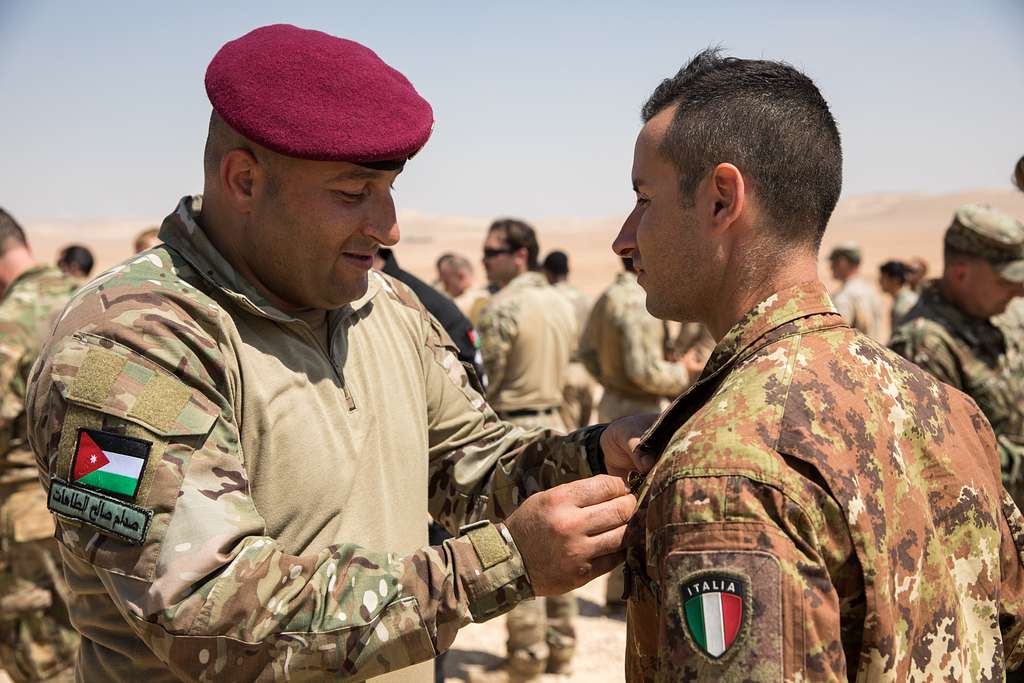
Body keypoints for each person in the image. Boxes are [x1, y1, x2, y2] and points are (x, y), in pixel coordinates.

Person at [25, 25, 652, 683]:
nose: (389, 227)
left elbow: (470, 467)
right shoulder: (131, 344)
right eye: (353, 194)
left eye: (389, 189)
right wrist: (499, 563)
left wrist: (592, 455)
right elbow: (216, 620)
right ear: (243, 179)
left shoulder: (387, 309)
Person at [613, 49, 1024, 680]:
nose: (625, 236)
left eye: (645, 198)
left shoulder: (726, 469)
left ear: (723, 200)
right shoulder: (946, 409)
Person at [473, 220, 579, 682]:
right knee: (566, 538)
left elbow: (486, 380)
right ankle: (561, 648)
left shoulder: (502, 306)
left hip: (516, 431)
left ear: (519, 255)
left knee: (519, 547)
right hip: (558, 424)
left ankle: (526, 657)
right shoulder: (562, 302)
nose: (485, 262)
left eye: (491, 253)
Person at [579, 255, 705, 612]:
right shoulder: (636, 302)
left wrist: (609, 380)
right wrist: (682, 373)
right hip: (636, 413)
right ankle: (628, 597)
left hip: (613, 404)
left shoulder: (606, 296)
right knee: (635, 505)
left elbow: (587, 352)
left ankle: (617, 593)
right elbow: (642, 370)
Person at [890, 205, 1024, 507]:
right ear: (961, 274)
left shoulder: (1002, 315)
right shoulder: (923, 345)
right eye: (1006, 282)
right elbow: (944, 462)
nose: (1018, 291)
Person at [0, 208, 79, 682]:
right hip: (100, 512)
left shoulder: (9, 321)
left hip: (25, 525)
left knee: (43, 661)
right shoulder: (93, 296)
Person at [541, 250, 596, 430]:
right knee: (587, 432)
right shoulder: (585, 298)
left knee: (571, 436)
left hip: (561, 371)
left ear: (547, 272)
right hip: (587, 371)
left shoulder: (548, 299)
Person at [828, 241, 884, 339]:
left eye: (833, 262)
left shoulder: (844, 296)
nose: (831, 267)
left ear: (842, 262)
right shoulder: (871, 291)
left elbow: (839, 337)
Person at [436, 252, 490, 324]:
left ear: (461, 276)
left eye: (447, 282)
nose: (445, 288)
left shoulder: (473, 301)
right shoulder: (485, 294)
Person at [878, 259, 918, 333]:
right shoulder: (907, 299)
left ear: (895, 280)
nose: (879, 281)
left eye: (883, 278)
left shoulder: (903, 305)